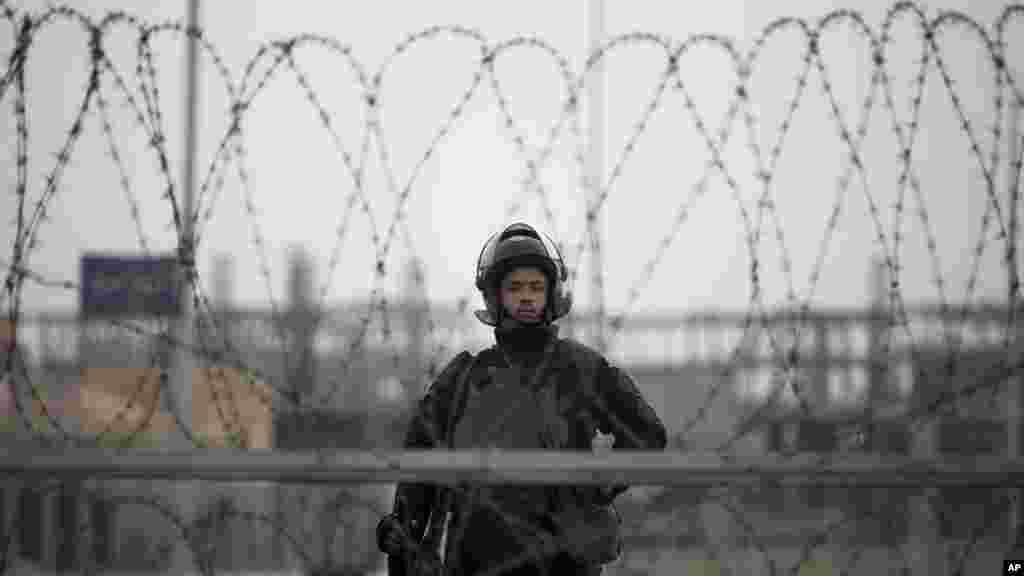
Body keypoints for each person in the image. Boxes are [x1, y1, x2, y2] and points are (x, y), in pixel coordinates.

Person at [376, 222, 668, 576]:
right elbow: (418, 467)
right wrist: (404, 536)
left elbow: (646, 433)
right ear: (494, 297)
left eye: (536, 287)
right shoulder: (464, 379)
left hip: (562, 562)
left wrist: (593, 491)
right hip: (478, 560)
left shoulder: (580, 369)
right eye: (514, 287)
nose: (526, 297)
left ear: (551, 294)